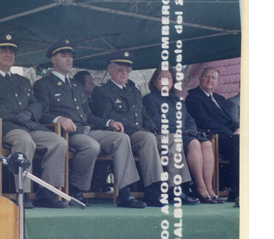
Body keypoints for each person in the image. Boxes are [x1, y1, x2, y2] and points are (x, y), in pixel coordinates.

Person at [33, 39, 145, 208]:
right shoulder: (43, 84)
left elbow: (89, 116)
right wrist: (59, 119)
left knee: (121, 138)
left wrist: (109, 121)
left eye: (70, 56)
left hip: (87, 129)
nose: (68, 59)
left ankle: (124, 193)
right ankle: (77, 190)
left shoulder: (77, 86)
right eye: (63, 56)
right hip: (65, 133)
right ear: (53, 60)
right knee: (91, 146)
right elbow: (40, 113)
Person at [0, 34, 68, 209]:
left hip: (28, 125)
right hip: (3, 128)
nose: (8, 55)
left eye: (12, 52)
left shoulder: (22, 81)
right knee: (24, 140)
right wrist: (17, 116)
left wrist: (29, 112)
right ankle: (23, 193)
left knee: (58, 141)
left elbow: (37, 104)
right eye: (4, 52)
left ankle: (46, 192)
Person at [91, 52, 198, 206]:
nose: (124, 73)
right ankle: (152, 189)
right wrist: (140, 129)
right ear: (110, 70)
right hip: (123, 135)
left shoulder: (133, 91)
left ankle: (175, 189)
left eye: (127, 70)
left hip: (143, 134)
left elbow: (144, 115)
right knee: (147, 138)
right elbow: (108, 114)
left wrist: (153, 129)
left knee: (174, 138)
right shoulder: (102, 91)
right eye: (120, 69)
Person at [143, 66, 221, 203]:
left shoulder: (178, 100)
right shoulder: (150, 99)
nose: (165, 81)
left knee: (207, 144)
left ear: (173, 81)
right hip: (167, 135)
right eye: (161, 78)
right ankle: (200, 188)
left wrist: (191, 131)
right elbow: (156, 122)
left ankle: (209, 188)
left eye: (169, 78)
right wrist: (183, 131)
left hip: (185, 134)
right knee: (194, 143)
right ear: (155, 81)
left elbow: (189, 120)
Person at [185, 67, 240, 202]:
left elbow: (231, 120)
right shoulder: (193, 97)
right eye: (207, 76)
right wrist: (231, 133)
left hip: (230, 136)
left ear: (218, 82)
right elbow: (205, 121)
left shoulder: (220, 99)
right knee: (239, 143)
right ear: (200, 79)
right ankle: (235, 189)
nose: (210, 80)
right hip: (213, 137)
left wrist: (239, 129)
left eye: (213, 78)